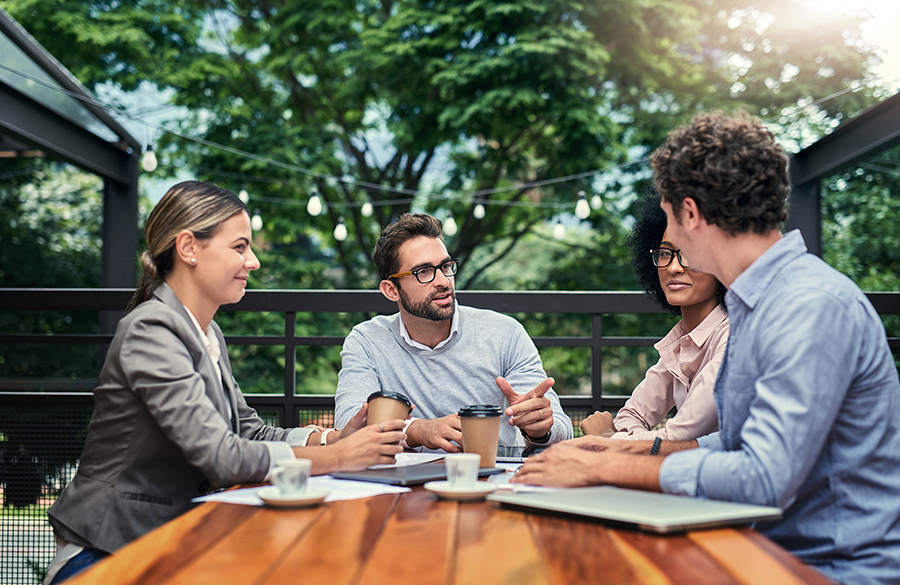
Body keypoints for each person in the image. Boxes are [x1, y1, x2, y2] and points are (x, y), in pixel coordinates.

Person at [513, 112, 900, 585]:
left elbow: (764, 477)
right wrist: (638, 451)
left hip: (826, 570)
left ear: (690, 214)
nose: (668, 240)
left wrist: (606, 467)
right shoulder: (758, 303)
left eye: (669, 214)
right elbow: (741, 442)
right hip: (756, 550)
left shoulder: (807, 306)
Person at [45, 181, 404, 584]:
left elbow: (249, 430)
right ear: (189, 248)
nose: (253, 261)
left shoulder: (206, 332)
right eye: (239, 246)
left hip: (170, 540)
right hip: (109, 550)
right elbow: (220, 455)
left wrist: (332, 440)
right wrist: (338, 460)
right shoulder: (151, 331)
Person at [334, 213, 573, 453]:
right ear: (391, 290)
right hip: (401, 480)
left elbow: (562, 427)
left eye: (445, 266)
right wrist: (417, 430)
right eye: (424, 272)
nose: (443, 281)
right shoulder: (367, 340)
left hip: (490, 477)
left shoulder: (505, 333)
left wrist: (539, 429)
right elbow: (349, 423)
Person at [580, 197, 728, 441]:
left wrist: (610, 439)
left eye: (690, 253)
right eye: (665, 253)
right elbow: (632, 415)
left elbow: (679, 436)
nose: (673, 267)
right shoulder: (683, 340)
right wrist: (617, 438)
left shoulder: (731, 338)